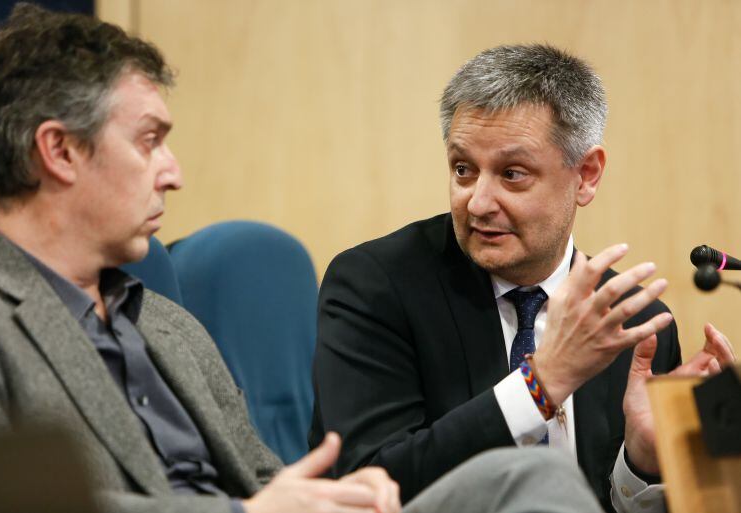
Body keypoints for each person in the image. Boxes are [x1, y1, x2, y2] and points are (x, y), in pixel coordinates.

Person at [0, 5, 609, 513]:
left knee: (521, 479)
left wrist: (342, 497)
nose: (173, 172)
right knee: (527, 478)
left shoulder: (168, 328)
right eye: (149, 141)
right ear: (59, 152)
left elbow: (269, 480)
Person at [310, 44, 736, 513]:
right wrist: (541, 383)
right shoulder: (375, 287)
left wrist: (644, 462)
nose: (477, 202)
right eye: (463, 169)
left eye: (512, 174)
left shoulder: (633, 323)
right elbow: (366, 487)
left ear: (586, 175)